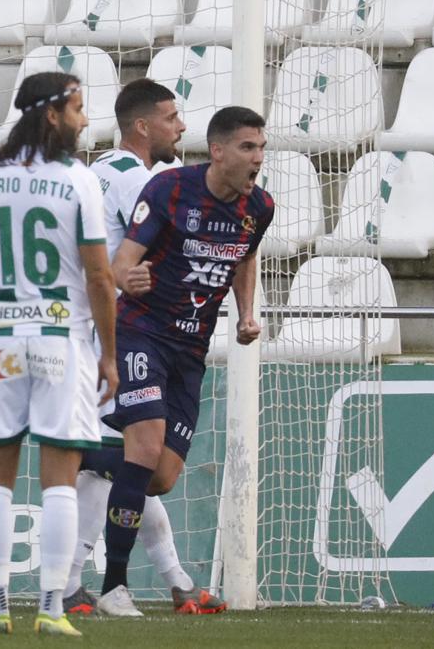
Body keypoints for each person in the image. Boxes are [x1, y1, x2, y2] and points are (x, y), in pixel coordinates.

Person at [94, 106, 275, 617]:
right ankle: (114, 587)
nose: (257, 158)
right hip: (141, 333)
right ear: (217, 152)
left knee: (160, 476)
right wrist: (124, 277)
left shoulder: (259, 207)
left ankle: (80, 459)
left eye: (261, 148)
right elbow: (121, 262)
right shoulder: (170, 190)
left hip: (190, 350)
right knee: (146, 446)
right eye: (247, 147)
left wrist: (247, 314)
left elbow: (243, 257)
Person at [0, 71, 118, 636]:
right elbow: (99, 275)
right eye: (78, 107)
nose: (85, 119)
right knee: (59, 479)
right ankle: (51, 609)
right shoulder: (78, 178)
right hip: (60, 338)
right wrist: (109, 354)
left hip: (1, 338)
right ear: (51, 114)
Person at [63, 79, 227, 615]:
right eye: (172, 117)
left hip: (100, 330)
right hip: (115, 336)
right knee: (137, 458)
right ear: (142, 126)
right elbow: (178, 238)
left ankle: (172, 580)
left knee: (137, 464)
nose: (181, 127)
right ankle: (83, 584)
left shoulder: (102, 172)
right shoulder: (136, 181)